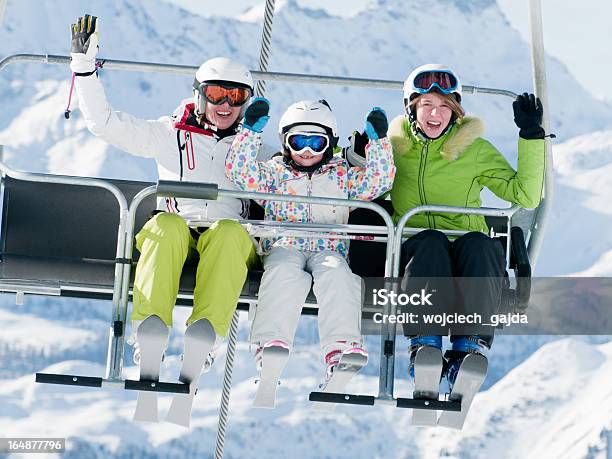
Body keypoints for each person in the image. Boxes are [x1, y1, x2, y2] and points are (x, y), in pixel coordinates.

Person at [69, 14, 259, 421]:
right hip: (177, 229)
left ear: (247, 102)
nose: (226, 105)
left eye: (236, 97)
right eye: (217, 94)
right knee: (164, 226)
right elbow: (105, 124)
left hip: (225, 238)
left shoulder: (255, 147)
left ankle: (200, 341)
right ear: (199, 95)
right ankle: (151, 336)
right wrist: (84, 70)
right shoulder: (169, 134)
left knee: (229, 233)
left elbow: (299, 172)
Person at [350, 63, 545, 395]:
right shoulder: (394, 150)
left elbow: (524, 195)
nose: (435, 114)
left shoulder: (474, 149)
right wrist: (360, 153)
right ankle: (425, 347)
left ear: (455, 112)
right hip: (414, 252)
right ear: (412, 109)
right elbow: (366, 189)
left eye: (444, 107)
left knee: (482, 246)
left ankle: (466, 351)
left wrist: (530, 137)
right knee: (429, 242)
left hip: (466, 251)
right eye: (426, 105)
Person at [225, 98, 395, 399]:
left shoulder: (342, 175)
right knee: (282, 273)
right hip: (285, 243)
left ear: (330, 144)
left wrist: (379, 143)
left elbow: (378, 182)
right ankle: (270, 345)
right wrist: (249, 132)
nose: (306, 151)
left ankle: (342, 349)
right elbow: (240, 173)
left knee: (339, 277)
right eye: (298, 141)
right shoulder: (274, 174)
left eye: (316, 142)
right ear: (284, 142)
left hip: (329, 248)